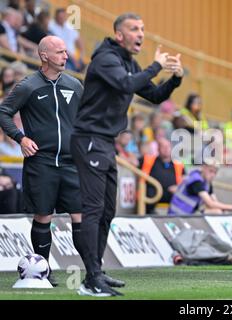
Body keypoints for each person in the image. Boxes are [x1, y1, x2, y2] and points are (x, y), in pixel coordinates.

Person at [70, 13, 183, 297]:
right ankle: (91, 278)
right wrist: (156, 65)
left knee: (108, 210)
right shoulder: (106, 58)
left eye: (143, 29)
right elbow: (126, 85)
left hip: (106, 142)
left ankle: (96, 272)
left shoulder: (128, 61)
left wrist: (175, 79)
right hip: (90, 140)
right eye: (134, 29)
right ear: (119, 35)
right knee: (94, 210)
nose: (141, 34)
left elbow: (154, 96)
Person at [0, 35, 84, 286]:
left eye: (66, 52)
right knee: (43, 216)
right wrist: (20, 138)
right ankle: (43, 272)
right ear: (44, 56)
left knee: (80, 216)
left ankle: (94, 271)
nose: (66, 56)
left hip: (71, 164)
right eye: (59, 52)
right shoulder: (28, 86)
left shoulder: (75, 85)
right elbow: (3, 112)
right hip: (41, 163)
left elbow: (88, 116)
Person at [168, 161, 232, 215]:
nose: (213, 175)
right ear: (203, 167)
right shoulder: (196, 181)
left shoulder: (207, 182)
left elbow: (215, 201)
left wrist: (225, 210)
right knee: (217, 212)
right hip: (177, 215)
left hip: (190, 213)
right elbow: (210, 204)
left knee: (219, 211)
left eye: (215, 172)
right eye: (210, 171)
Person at [141, 138, 184, 213]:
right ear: (158, 149)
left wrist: (178, 187)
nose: (166, 149)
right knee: (149, 192)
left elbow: (185, 178)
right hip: (154, 192)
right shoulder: (149, 160)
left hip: (171, 193)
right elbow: (135, 162)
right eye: (163, 147)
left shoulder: (178, 164)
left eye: (168, 146)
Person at [48, 8, 85, 72]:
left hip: (72, 59)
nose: (62, 19)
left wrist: (81, 58)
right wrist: (74, 60)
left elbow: (80, 42)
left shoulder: (69, 26)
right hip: (60, 56)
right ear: (56, 16)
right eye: (60, 17)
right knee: (68, 69)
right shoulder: (50, 25)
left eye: (63, 17)